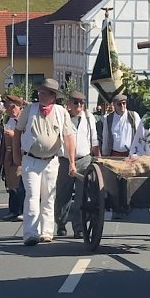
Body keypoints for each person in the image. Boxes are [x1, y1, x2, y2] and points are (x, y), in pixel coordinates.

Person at [13, 79, 77, 246]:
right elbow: (17, 132)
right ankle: (30, 233)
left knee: (49, 197)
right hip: (31, 159)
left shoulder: (61, 112)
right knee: (32, 196)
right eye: (39, 92)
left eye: (44, 93)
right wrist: (16, 157)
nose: (40, 95)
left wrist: (72, 162)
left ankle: (46, 232)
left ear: (53, 96)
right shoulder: (30, 110)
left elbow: (69, 138)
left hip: (51, 161)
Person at [55, 91, 100, 238]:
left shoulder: (89, 117)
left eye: (82, 103)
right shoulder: (63, 116)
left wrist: (98, 158)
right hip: (65, 160)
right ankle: (61, 223)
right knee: (63, 194)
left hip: (84, 159)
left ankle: (78, 227)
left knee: (82, 195)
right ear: (69, 104)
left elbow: (94, 139)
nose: (79, 106)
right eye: (76, 102)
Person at [1, 95, 26, 222]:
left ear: (14, 107)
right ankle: (13, 210)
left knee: (19, 184)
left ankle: (20, 210)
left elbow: (28, 137)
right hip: (9, 154)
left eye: (7, 106)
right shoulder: (10, 120)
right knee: (11, 184)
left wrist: (14, 134)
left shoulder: (23, 119)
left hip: (20, 154)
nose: (5, 109)